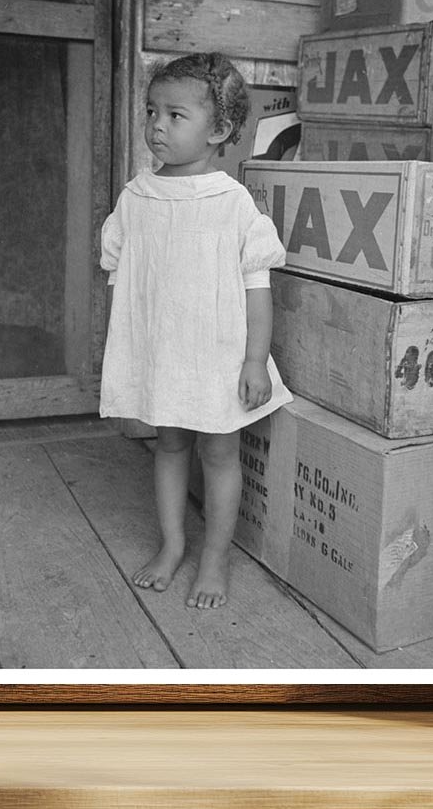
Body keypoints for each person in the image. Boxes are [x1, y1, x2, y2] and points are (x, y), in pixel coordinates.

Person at [99, 52, 293, 610]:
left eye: (175, 115)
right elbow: (125, 282)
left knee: (219, 455)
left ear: (221, 131)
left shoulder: (233, 205)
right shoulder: (136, 198)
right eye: (151, 111)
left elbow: (258, 288)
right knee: (169, 445)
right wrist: (132, 354)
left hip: (219, 356)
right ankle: (173, 544)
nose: (157, 125)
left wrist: (255, 360)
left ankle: (215, 556)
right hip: (164, 353)